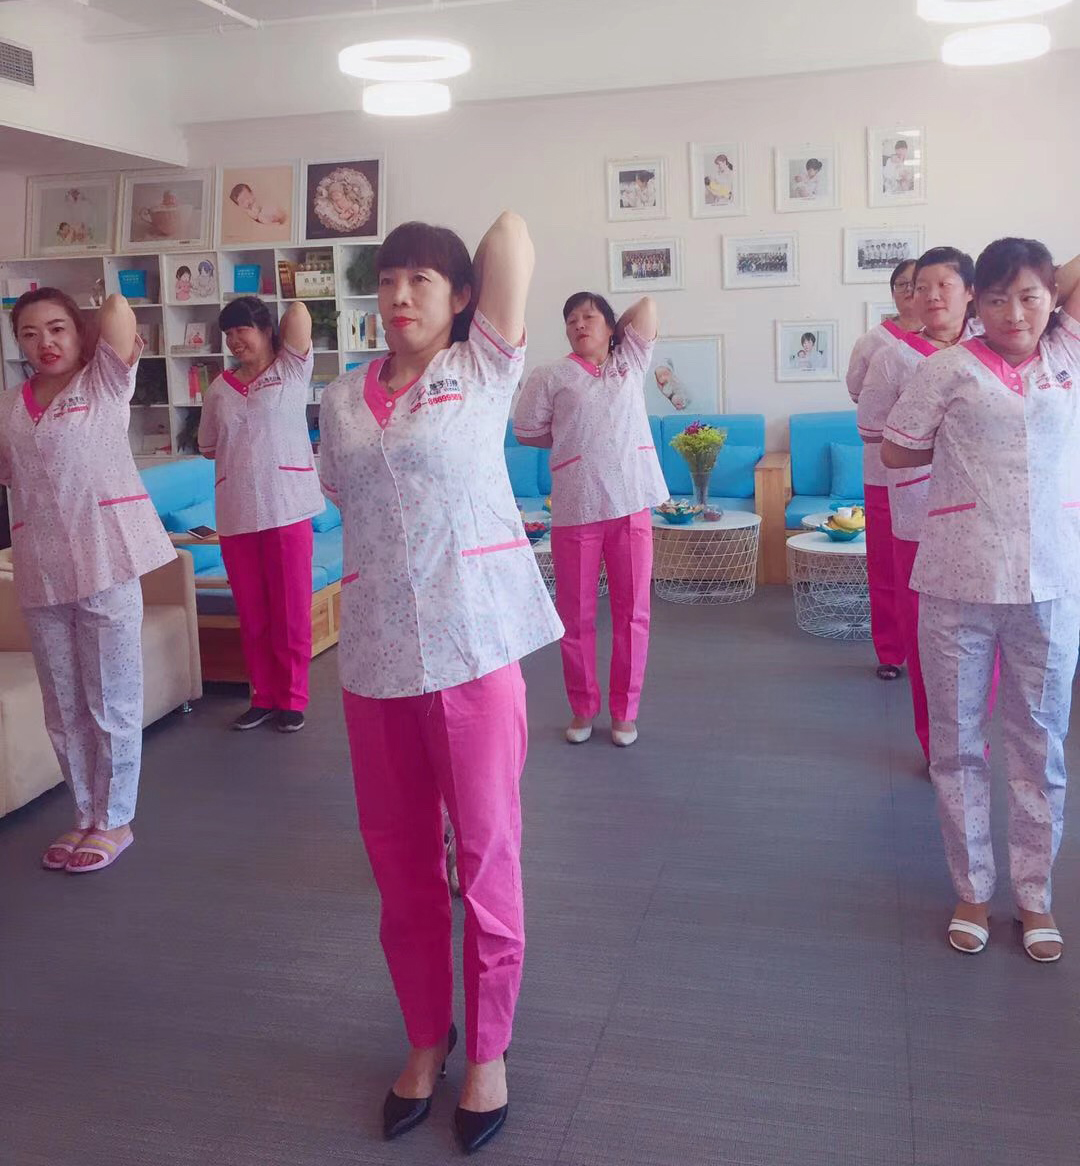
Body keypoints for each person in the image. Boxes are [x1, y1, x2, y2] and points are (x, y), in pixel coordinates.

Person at [318, 214, 562, 1153]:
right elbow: (348, 495)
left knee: (487, 856)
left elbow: (512, 237)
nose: (398, 296)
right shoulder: (340, 399)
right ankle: (427, 1037)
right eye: (387, 280)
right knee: (399, 861)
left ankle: (489, 1049)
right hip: (377, 658)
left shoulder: (482, 369)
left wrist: (468, 272)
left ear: (461, 297)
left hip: (475, 647)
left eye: (421, 280)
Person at [881, 238, 1080, 962]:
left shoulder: (1066, 355)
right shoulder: (949, 368)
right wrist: (961, 456)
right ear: (976, 303)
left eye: (1029, 297)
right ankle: (972, 890)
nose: (1013, 313)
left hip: (1050, 580)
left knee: (1040, 743)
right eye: (996, 299)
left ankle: (1033, 895)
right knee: (958, 743)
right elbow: (897, 448)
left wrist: (1045, 281)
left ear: (1052, 299)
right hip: (958, 580)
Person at [0, 288, 175, 872]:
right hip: (40, 569)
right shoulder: (8, 406)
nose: (44, 343)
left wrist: (103, 308)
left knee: (111, 700)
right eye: (29, 334)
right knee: (63, 705)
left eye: (58, 328)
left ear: (81, 333)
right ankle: (83, 815)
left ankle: (115, 819)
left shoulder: (103, 383)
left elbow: (119, 316)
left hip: (105, 561)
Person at [514, 292, 666, 748]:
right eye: (571, 320)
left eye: (589, 317)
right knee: (575, 614)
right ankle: (582, 707)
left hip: (631, 502)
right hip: (576, 506)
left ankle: (625, 712)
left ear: (611, 327)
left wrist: (617, 332)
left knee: (633, 613)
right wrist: (573, 441)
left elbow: (647, 307)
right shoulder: (550, 375)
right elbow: (527, 431)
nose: (579, 325)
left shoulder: (629, 361)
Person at [860, 248, 985, 761]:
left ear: (971, 292)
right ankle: (936, 746)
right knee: (923, 629)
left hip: (984, 512)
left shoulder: (991, 346)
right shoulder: (893, 356)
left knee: (981, 630)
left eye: (944, 285)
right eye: (920, 287)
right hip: (918, 505)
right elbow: (872, 429)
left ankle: (973, 739)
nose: (930, 296)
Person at [197, 297, 322, 733]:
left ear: (267, 330)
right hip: (237, 514)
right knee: (252, 614)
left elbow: (300, 314)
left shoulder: (291, 370)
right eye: (228, 333)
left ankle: (292, 699)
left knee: (290, 612)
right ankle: (263, 696)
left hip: (287, 507)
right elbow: (208, 446)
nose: (235, 340)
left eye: (243, 329)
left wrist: (278, 326)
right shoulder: (218, 390)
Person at [847, 259, 921, 682]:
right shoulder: (874, 342)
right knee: (886, 563)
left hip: (941, 476)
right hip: (883, 471)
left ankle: (929, 647)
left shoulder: (961, 338)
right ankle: (891, 650)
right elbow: (858, 391)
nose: (910, 292)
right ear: (892, 292)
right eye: (902, 284)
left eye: (918, 284)